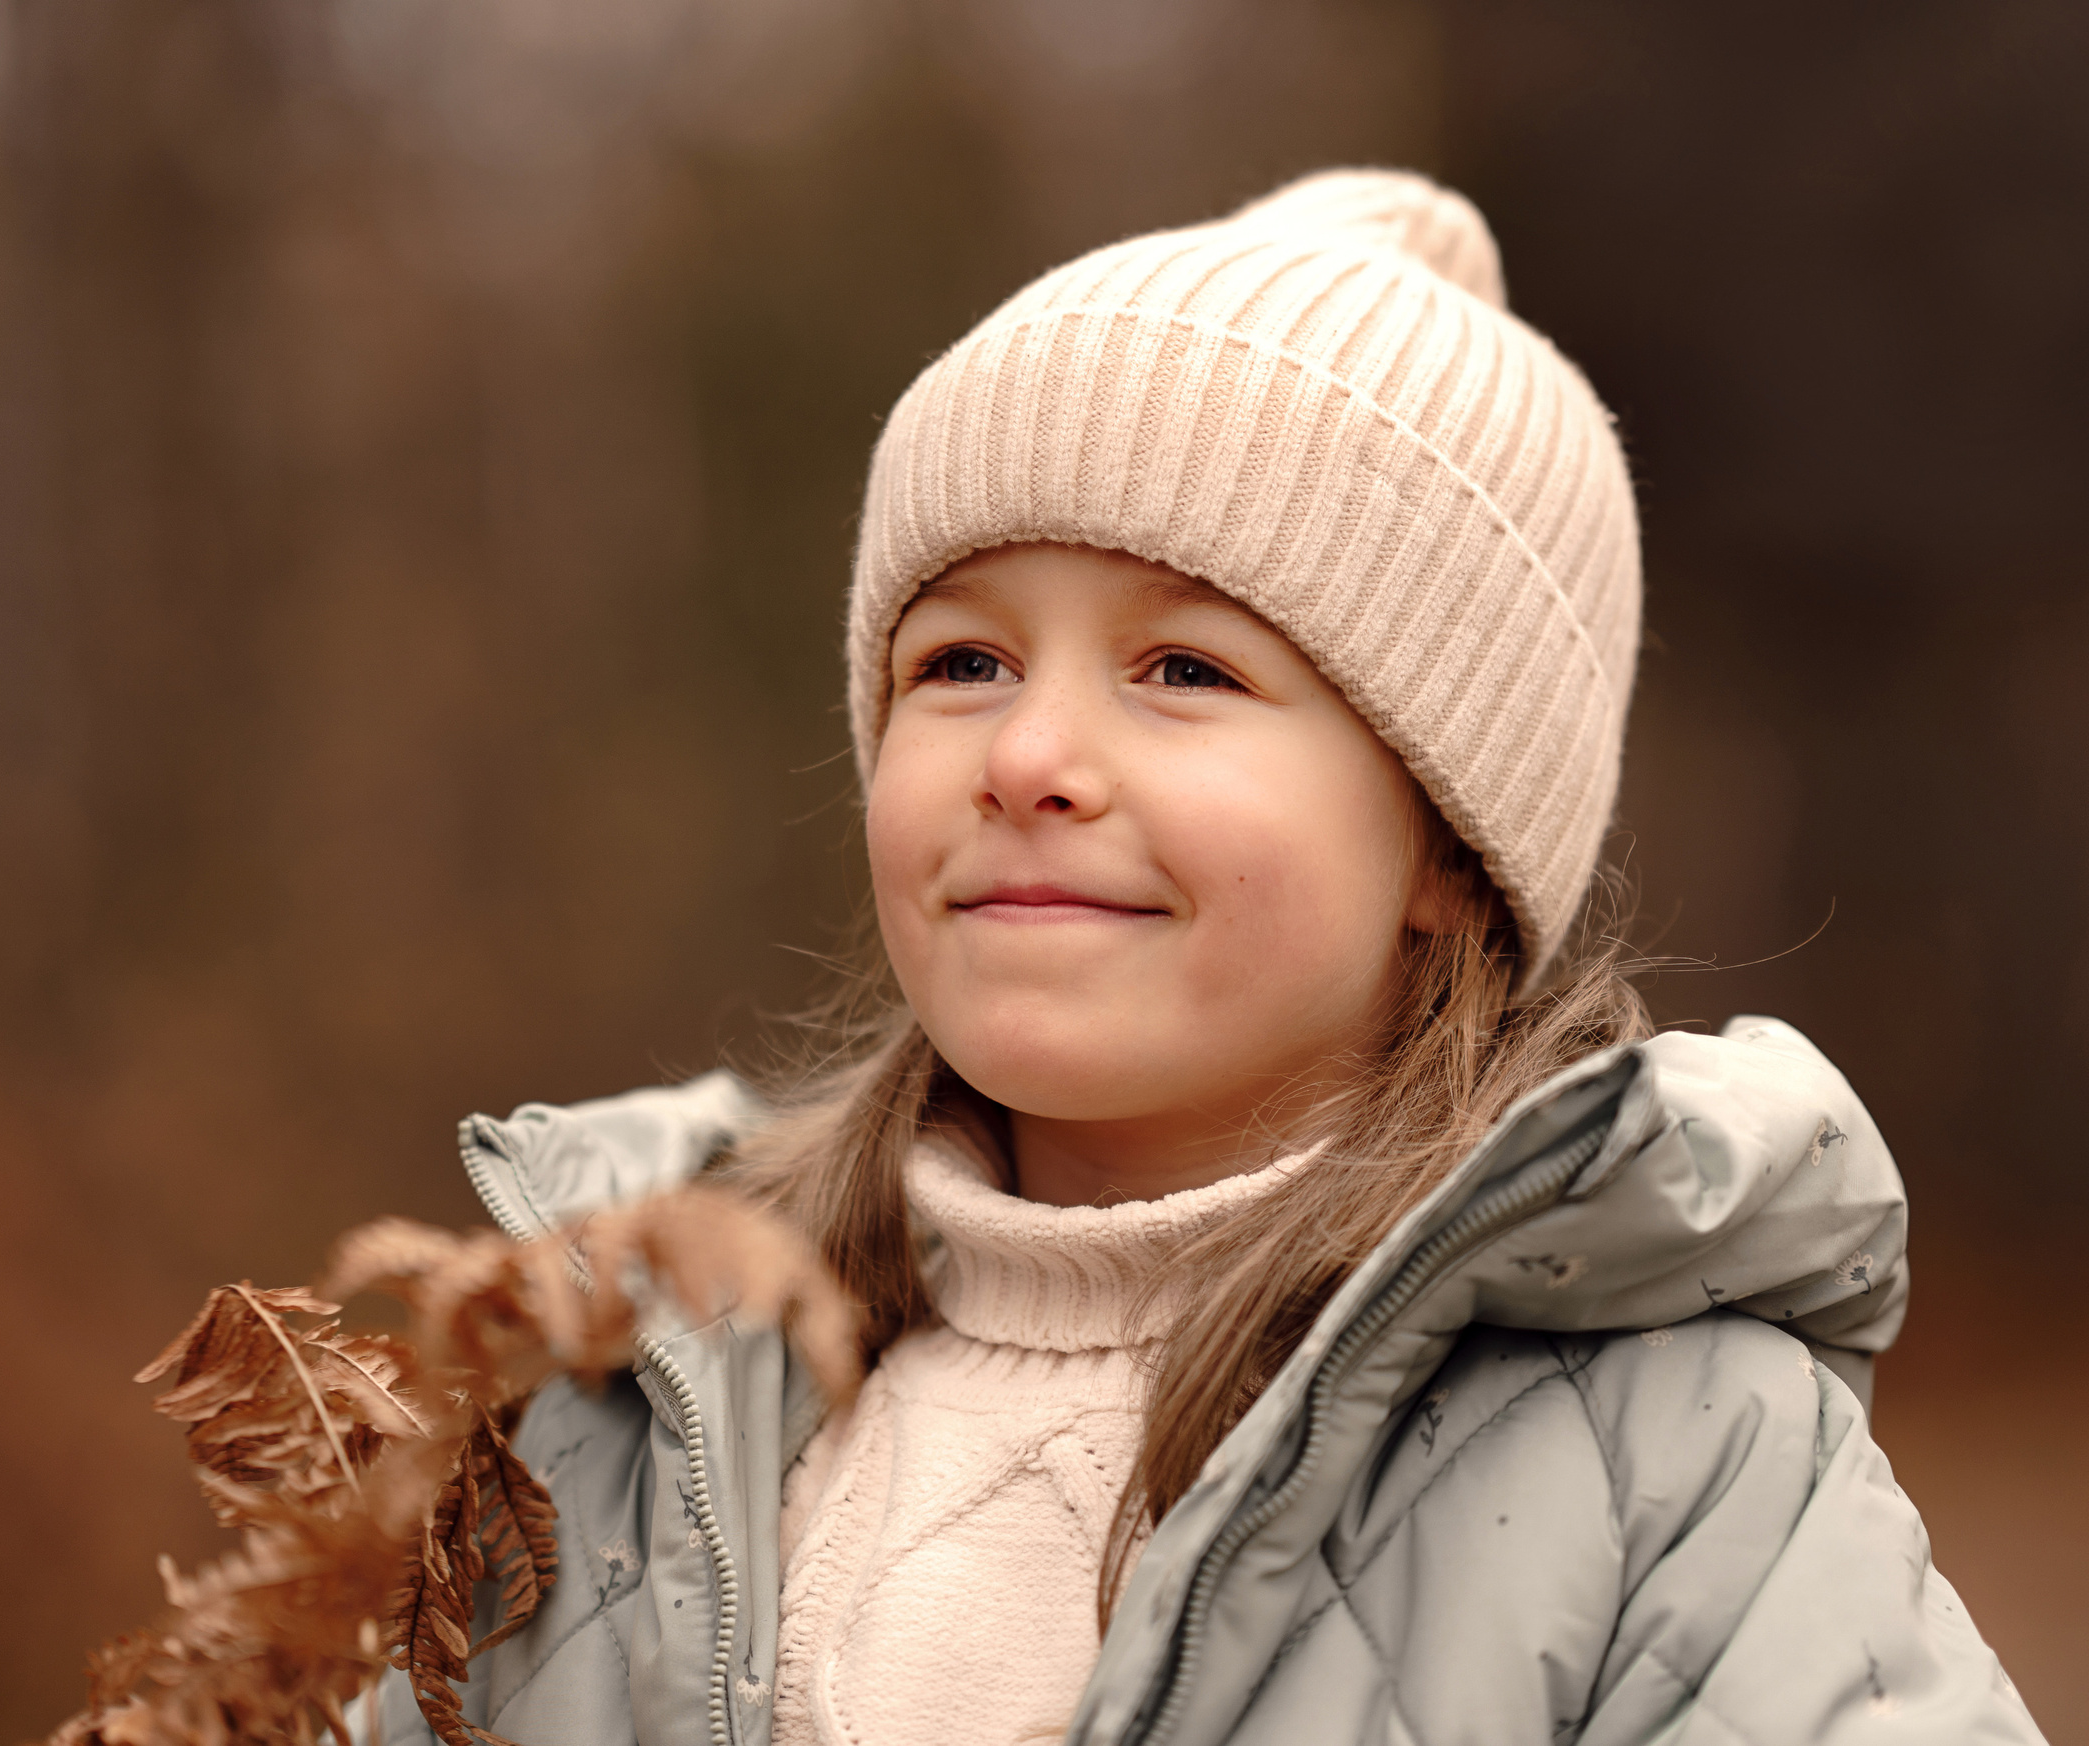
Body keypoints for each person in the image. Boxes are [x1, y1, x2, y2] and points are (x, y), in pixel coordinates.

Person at [369, 169, 2043, 1745]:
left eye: (1182, 669)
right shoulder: (629, 1395)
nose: (1029, 754)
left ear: (1449, 854)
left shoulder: (1672, 1460)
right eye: (961, 659)